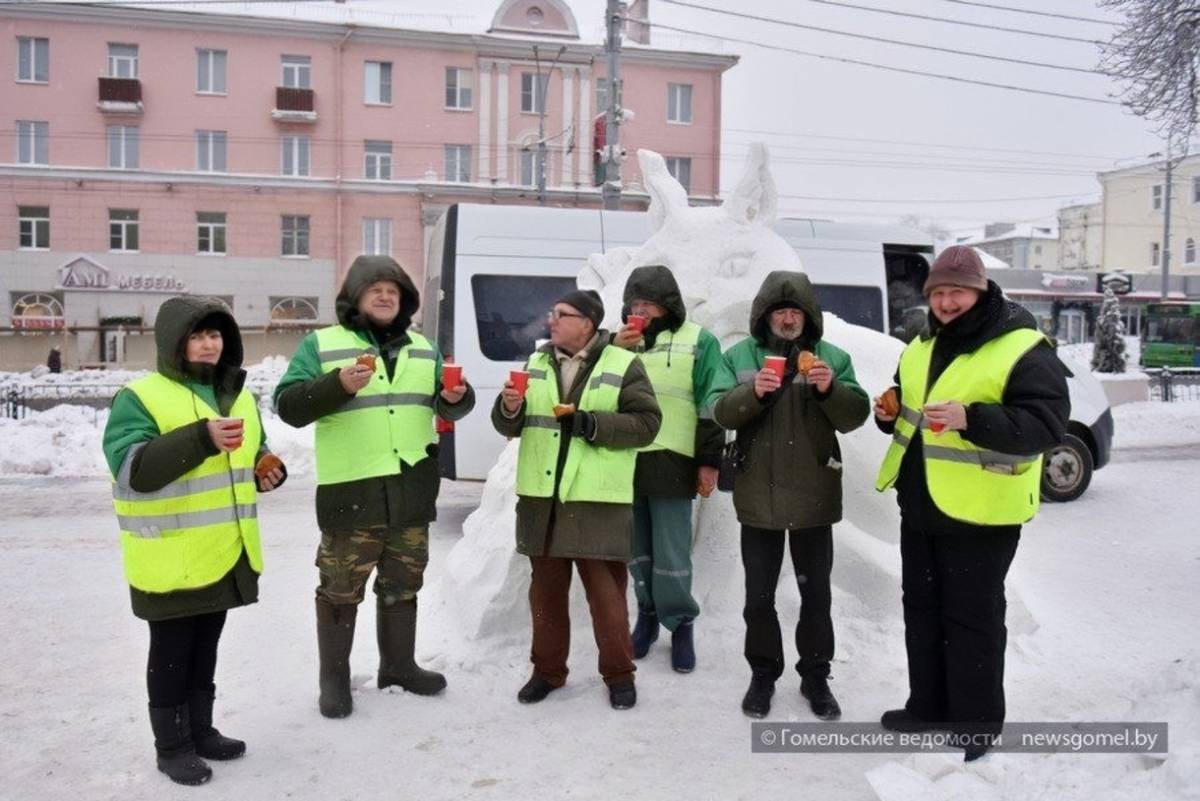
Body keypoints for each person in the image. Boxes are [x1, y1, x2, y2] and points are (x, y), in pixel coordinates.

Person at [873, 245, 1069, 761]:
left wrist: (971, 418)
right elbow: (909, 408)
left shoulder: (1021, 346)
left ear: (980, 291)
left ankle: (976, 726)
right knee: (922, 612)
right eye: (938, 291)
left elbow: (1047, 425)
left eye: (956, 291)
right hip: (921, 505)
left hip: (983, 512)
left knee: (972, 620)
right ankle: (927, 708)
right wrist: (888, 412)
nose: (945, 301)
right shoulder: (920, 345)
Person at [274, 255, 475, 719]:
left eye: (393, 290)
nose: (385, 296)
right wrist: (337, 385)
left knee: (403, 584)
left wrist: (458, 397)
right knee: (340, 589)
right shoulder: (323, 344)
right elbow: (288, 406)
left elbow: (446, 406)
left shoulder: (424, 348)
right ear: (356, 297)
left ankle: (399, 667)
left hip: (411, 488)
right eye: (375, 289)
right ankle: (334, 681)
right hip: (352, 491)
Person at [102, 296, 286, 786]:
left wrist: (265, 465)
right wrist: (201, 439)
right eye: (197, 335)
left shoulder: (236, 395)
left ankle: (201, 731)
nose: (208, 344)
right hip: (168, 557)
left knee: (206, 647)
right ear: (174, 342)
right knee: (171, 652)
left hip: (223, 552)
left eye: (215, 334)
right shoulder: (140, 397)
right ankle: (172, 747)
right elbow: (133, 469)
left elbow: (252, 449)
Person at [709, 270, 869, 720]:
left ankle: (816, 677)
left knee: (816, 598)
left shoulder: (832, 358)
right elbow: (719, 411)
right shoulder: (739, 356)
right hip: (757, 495)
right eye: (779, 311)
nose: (787, 318)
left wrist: (830, 389)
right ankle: (763, 674)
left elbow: (855, 416)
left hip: (815, 494)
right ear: (764, 316)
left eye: (795, 311)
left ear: (808, 316)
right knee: (758, 598)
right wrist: (753, 393)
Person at [492, 289, 661, 709]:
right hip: (542, 499)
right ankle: (547, 672)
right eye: (553, 313)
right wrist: (509, 407)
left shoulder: (622, 362)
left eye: (562, 314)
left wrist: (590, 423)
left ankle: (619, 675)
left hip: (596, 501)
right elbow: (509, 425)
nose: (552, 320)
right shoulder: (536, 363)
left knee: (607, 600)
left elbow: (647, 424)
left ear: (587, 323)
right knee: (545, 598)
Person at [609, 265, 723, 672]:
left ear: (668, 305)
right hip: (626, 457)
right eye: (635, 303)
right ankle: (647, 616)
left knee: (672, 551)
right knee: (637, 549)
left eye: (649, 304)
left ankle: (681, 623)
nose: (641, 311)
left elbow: (712, 403)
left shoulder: (698, 340)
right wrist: (615, 350)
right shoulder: (619, 343)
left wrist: (708, 461)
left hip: (674, 457)